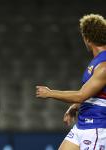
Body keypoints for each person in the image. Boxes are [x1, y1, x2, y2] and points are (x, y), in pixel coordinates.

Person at [36, 14, 106, 150]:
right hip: (82, 124)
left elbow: (81, 95)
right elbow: (93, 93)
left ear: (87, 39)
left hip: (96, 128)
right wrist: (75, 106)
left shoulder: (103, 66)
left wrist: (50, 93)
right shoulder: (98, 62)